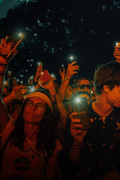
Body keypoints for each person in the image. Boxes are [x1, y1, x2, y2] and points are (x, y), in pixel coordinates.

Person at [60, 61, 120, 179]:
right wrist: (77, 144)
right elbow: (68, 165)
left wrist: (118, 173)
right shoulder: (78, 116)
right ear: (106, 87)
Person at [0, 37, 62, 179]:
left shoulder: (52, 143)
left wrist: (52, 92)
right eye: (29, 103)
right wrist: (2, 65)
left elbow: (50, 173)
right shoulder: (9, 129)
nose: (32, 108)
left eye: (39, 106)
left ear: (46, 114)